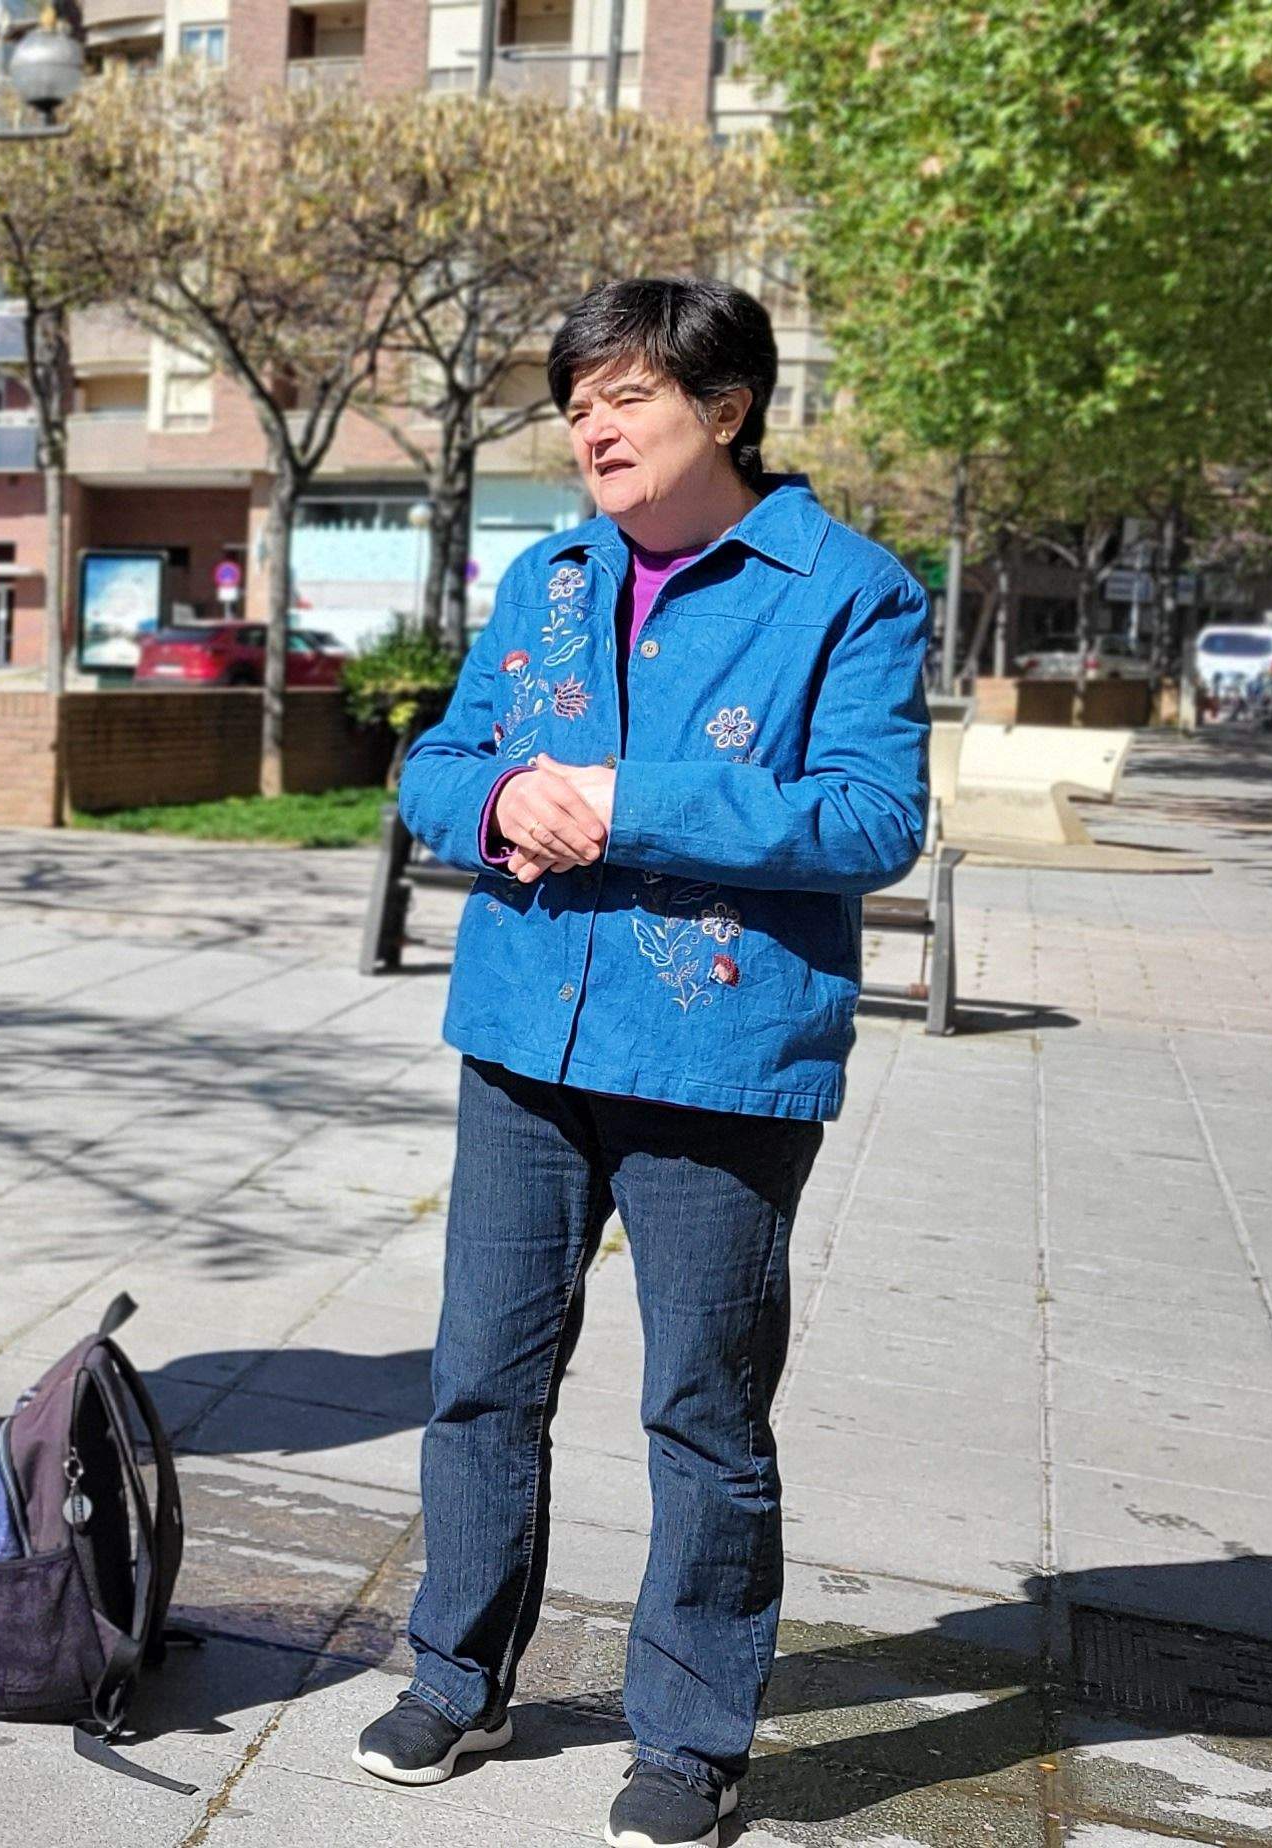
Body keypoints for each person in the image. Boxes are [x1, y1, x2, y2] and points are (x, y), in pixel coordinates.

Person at [368, 279, 929, 1848]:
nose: (590, 427)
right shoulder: (546, 580)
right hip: (526, 1034)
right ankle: (457, 1672)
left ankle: (689, 1736)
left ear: (729, 406)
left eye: (624, 396)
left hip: (721, 1056)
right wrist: (492, 810)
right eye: (576, 403)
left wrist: (624, 801)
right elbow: (439, 761)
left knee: (700, 1409)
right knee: (481, 1380)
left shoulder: (848, 590)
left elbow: (874, 821)